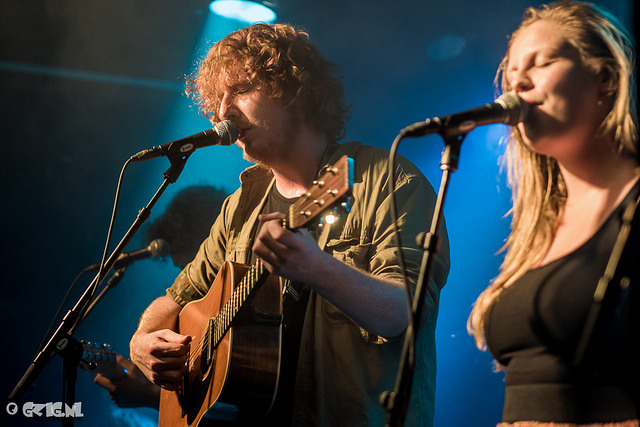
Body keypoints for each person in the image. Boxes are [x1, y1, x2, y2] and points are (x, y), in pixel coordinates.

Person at [129, 23, 449, 426]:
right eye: (217, 98)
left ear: (294, 91)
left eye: (241, 89)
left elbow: (405, 312)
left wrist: (316, 268)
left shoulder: (387, 180)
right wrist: (143, 341)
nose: (221, 111)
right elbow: (175, 299)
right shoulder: (240, 207)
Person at [468, 1, 639, 425]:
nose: (518, 82)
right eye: (510, 73)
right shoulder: (536, 227)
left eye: (541, 63)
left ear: (605, 77)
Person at [93, 186, 229, 409]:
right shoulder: (197, 312)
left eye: (186, 262)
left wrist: (150, 394)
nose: (183, 270)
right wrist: (142, 353)